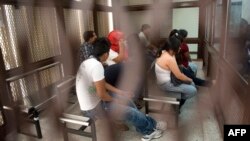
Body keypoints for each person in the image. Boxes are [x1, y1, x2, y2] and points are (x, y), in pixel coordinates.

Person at [76, 37, 166, 141]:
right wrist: (116, 100)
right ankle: (150, 130)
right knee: (129, 112)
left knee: (127, 101)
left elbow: (103, 84)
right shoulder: (96, 66)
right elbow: (102, 95)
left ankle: (150, 124)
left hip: (96, 100)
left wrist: (121, 92)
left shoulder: (88, 62)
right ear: (105, 54)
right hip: (93, 108)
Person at [155, 36, 197, 100]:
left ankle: (177, 100)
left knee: (191, 83)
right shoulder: (169, 58)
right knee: (193, 89)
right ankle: (176, 100)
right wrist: (190, 79)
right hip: (165, 85)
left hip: (165, 80)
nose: (180, 48)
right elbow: (179, 76)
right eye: (179, 46)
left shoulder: (164, 52)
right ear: (174, 47)